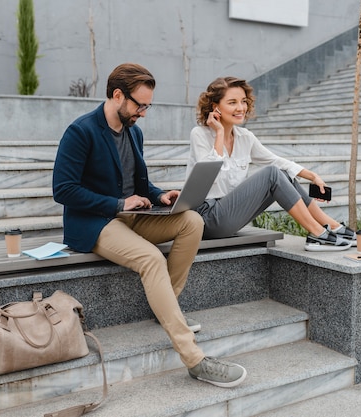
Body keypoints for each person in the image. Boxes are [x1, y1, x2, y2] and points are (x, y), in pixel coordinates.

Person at [53, 63, 247, 388]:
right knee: (152, 258)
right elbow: (64, 189)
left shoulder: (134, 132)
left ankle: (166, 308)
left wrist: (159, 196)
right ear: (117, 95)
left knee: (191, 221)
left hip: (132, 216)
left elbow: (139, 185)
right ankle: (195, 359)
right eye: (139, 105)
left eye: (147, 106)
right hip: (96, 222)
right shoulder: (81, 131)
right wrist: (117, 204)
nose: (143, 113)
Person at [187, 76, 355, 251]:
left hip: (232, 214)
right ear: (215, 107)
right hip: (207, 218)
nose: (240, 108)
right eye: (232, 103)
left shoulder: (245, 137)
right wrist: (219, 133)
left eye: (243, 101)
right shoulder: (199, 134)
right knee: (272, 174)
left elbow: (276, 161)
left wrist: (313, 176)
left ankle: (332, 226)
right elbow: (209, 177)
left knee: (281, 173)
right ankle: (318, 234)